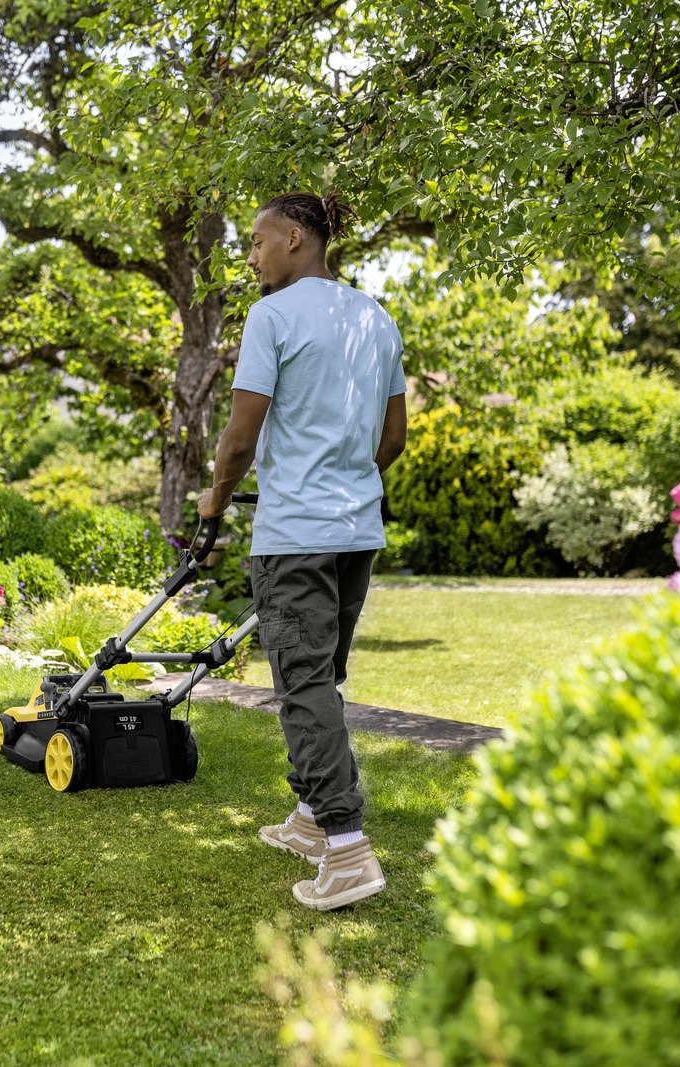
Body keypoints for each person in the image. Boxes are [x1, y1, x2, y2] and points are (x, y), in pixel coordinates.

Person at [197, 191, 407, 911]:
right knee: (323, 677)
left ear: (294, 237)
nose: (252, 258)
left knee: (303, 685)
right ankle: (313, 818)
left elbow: (240, 438)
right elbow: (393, 439)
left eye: (257, 242)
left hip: (295, 538)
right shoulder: (375, 318)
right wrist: (345, 479)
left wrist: (215, 499)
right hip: (356, 532)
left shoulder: (273, 316)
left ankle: (347, 849)